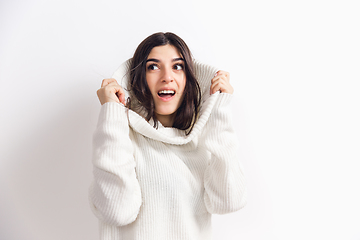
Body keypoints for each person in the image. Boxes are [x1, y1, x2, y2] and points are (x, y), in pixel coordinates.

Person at [89, 32, 247, 240]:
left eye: (177, 66)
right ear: (138, 78)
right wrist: (112, 112)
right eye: (153, 66)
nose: (167, 77)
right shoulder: (119, 137)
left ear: (189, 78)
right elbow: (117, 211)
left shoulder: (202, 142)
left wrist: (219, 111)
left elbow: (229, 202)